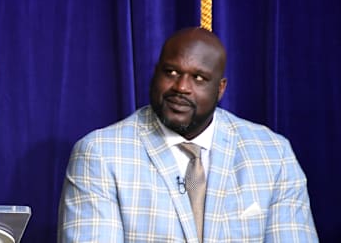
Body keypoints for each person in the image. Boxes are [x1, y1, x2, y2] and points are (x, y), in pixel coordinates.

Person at [58, 27, 317, 242]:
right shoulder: (101, 154)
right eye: (171, 72)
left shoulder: (273, 155)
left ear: (220, 89)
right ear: (155, 74)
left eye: (199, 78)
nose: (181, 87)